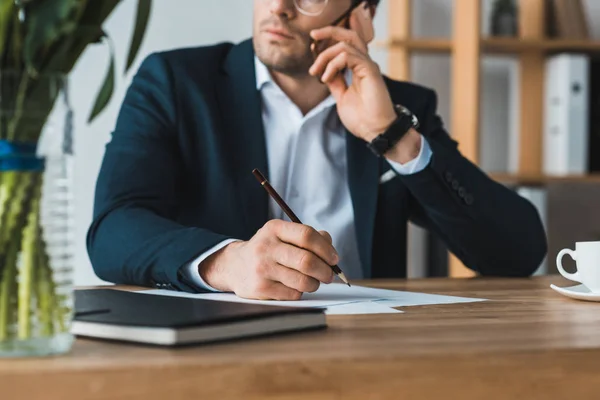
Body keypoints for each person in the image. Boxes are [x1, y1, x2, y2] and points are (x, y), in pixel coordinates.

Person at [87, 0, 547, 300]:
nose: (279, 8)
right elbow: (113, 228)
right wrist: (229, 263)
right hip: (215, 346)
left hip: (367, 350)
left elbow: (517, 253)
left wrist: (391, 135)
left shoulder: (400, 107)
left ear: (359, 15)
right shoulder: (174, 82)